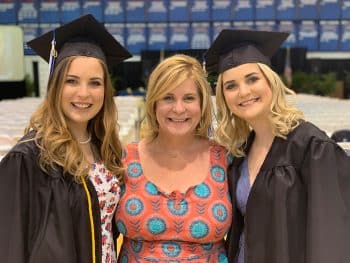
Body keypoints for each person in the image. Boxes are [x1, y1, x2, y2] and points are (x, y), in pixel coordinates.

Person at [205, 29, 350, 263]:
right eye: (230, 86)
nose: (243, 92)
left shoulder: (311, 147)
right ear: (223, 97)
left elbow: (332, 235)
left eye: (252, 79)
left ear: (270, 82)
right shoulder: (241, 153)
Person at [0, 14, 131, 263]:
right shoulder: (28, 159)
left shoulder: (104, 148)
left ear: (106, 90)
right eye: (71, 81)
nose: (84, 93)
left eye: (95, 83)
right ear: (55, 85)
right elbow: (9, 246)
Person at [115, 54, 232, 262]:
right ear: (153, 104)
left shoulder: (225, 160)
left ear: (202, 104)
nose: (178, 109)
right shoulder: (124, 160)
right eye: (168, 98)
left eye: (189, 98)